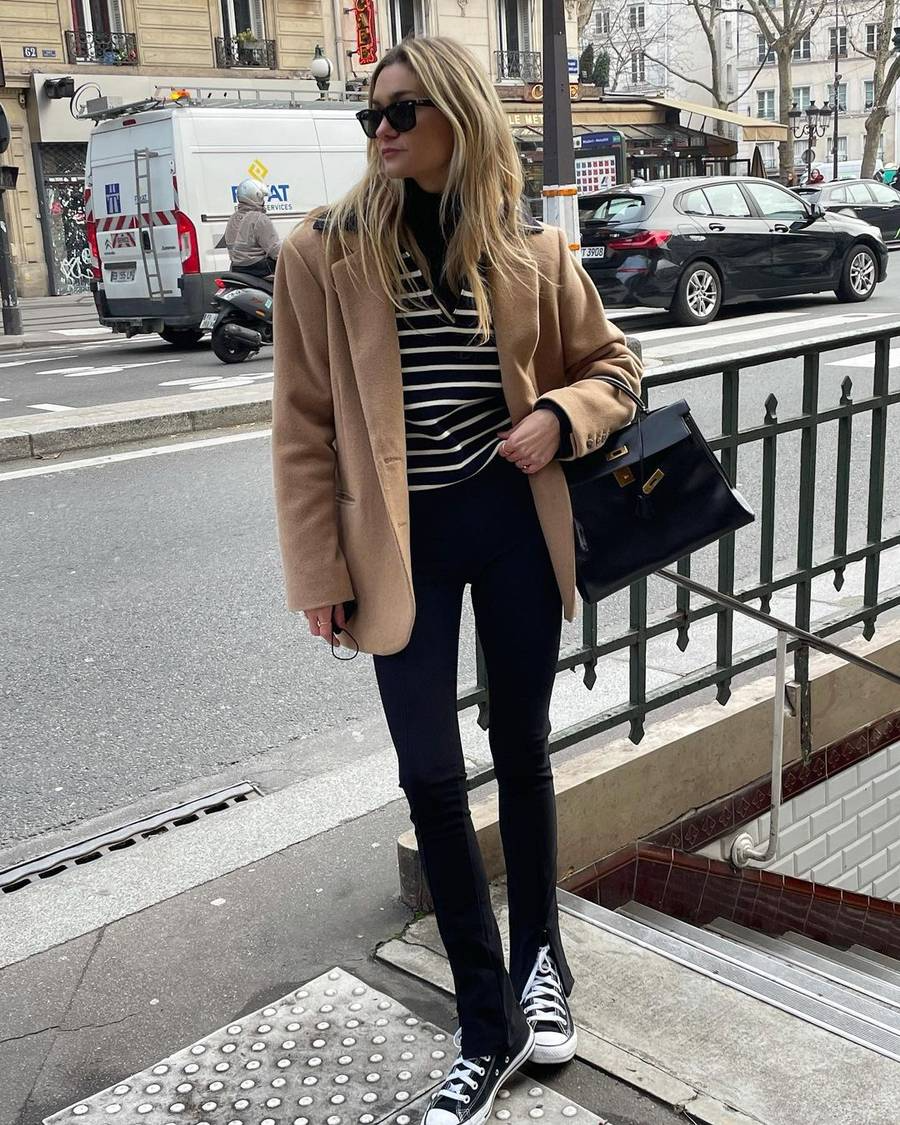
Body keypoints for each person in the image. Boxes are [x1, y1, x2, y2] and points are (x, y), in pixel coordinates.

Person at [271, 35, 642, 1125]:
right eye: (369, 115)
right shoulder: (324, 250)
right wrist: (316, 569)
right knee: (431, 774)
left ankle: (540, 970)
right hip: (400, 545)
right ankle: (485, 1027)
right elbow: (301, 427)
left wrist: (554, 418)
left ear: (461, 117)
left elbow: (616, 369)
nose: (380, 132)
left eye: (402, 112)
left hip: (516, 529)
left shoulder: (530, 246)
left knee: (521, 753)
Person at [224, 178, 281, 278]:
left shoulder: (232, 218)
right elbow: (275, 251)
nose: (263, 201)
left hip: (236, 267)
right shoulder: (260, 218)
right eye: (262, 198)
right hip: (256, 268)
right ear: (256, 196)